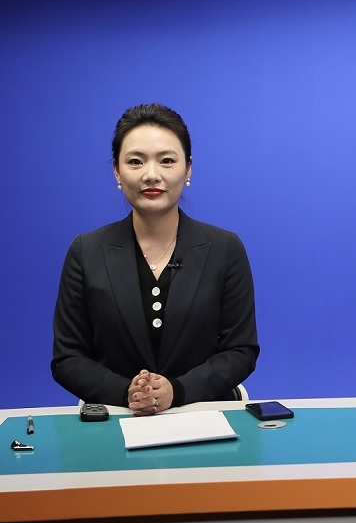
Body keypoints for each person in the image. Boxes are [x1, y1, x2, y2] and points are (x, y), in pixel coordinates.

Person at [52, 103, 260, 415]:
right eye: (135, 161)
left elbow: (241, 350)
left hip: (204, 413)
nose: (151, 175)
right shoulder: (86, 250)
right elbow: (67, 358)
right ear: (117, 171)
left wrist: (177, 390)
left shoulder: (225, 248)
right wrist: (127, 392)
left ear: (187, 169)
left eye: (167, 161)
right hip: (117, 416)